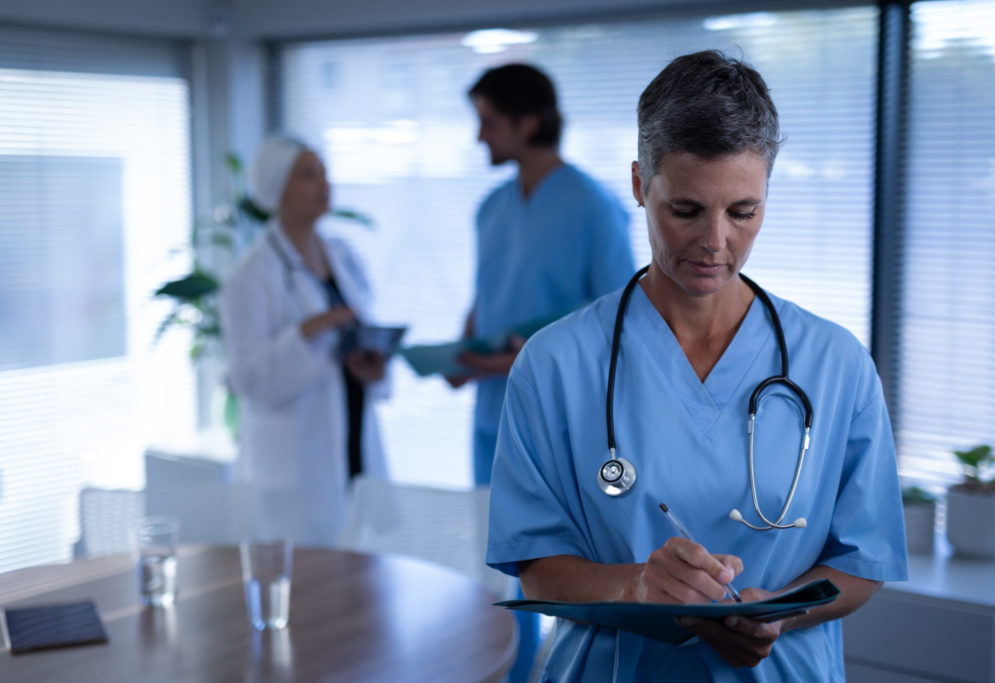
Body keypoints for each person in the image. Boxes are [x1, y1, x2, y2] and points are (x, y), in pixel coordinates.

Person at [486, 50, 908, 681]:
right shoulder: (555, 364)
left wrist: (778, 616)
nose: (716, 242)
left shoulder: (836, 363)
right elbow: (536, 562)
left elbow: (864, 560)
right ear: (638, 184)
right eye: (685, 210)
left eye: (743, 211)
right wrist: (635, 586)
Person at [453, 63, 636, 486]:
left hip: (558, 419)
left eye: (489, 122)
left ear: (529, 122)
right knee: (490, 541)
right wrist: (460, 355)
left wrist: (521, 360)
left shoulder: (595, 208)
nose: (479, 136)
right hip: (492, 416)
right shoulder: (491, 208)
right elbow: (486, 297)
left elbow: (620, 320)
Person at [220, 136, 389, 548]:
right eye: (309, 176)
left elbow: (351, 339)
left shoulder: (344, 256)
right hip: (294, 462)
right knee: (308, 584)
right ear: (276, 188)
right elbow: (246, 379)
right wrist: (306, 333)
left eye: (325, 173)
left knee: (362, 571)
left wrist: (372, 367)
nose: (324, 185)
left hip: (351, 437)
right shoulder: (251, 277)